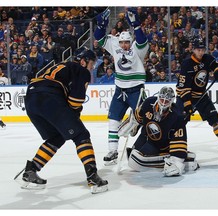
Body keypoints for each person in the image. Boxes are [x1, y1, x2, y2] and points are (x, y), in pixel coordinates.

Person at [17, 47, 108, 194]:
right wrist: (75, 114)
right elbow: (75, 101)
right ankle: (92, 176)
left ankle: (31, 170)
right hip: (49, 97)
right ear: (84, 61)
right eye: (91, 64)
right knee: (81, 135)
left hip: (31, 97)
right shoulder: (81, 70)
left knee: (57, 137)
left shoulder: (64, 65)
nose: (92, 68)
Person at [94, 8, 149, 165]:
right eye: (122, 42)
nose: (124, 45)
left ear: (130, 41)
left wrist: (136, 26)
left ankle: (146, 147)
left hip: (136, 90)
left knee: (144, 119)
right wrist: (101, 25)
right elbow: (99, 38)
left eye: (126, 42)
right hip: (120, 90)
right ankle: (112, 151)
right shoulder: (114, 45)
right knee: (113, 120)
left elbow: (142, 40)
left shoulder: (138, 49)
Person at [176, 37, 218, 155]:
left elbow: (217, 66)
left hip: (201, 95)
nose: (201, 52)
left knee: (214, 118)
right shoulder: (186, 64)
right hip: (185, 96)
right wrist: (187, 104)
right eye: (198, 50)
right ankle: (175, 146)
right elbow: (183, 87)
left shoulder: (207, 58)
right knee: (180, 122)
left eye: (202, 49)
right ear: (193, 50)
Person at [119, 87, 199, 176]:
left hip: (162, 145)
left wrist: (177, 162)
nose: (163, 103)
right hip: (146, 136)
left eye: (167, 101)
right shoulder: (148, 103)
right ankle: (181, 159)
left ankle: (178, 159)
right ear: (158, 97)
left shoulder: (177, 116)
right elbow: (137, 118)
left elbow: (179, 140)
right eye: (162, 99)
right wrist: (130, 125)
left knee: (135, 163)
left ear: (172, 101)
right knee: (132, 155)